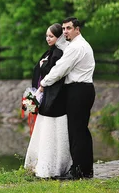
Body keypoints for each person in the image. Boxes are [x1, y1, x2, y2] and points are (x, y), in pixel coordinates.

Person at [39, 17, 96, 179]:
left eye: (68, 28)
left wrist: (43, 83)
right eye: (63, 29)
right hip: (84, 89)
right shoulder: (80, 45)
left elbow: (60, 70)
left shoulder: (76, 47)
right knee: (82, 131)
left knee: (76, 131)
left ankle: (77, 171)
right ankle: (85, 170)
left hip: (78, 90)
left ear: (77, 29)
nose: (65, 32)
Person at [24, 23, 72, 178]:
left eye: (51, 36)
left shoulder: (58, 53)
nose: (48, 38)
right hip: (46, 95)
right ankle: (41, 163)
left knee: (53, 131)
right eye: (47, 36)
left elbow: (54, 74)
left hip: (54, 98)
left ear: (58, 37)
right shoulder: (50, 52)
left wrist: (43, 68)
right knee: (44, 130)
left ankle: (53, 166)